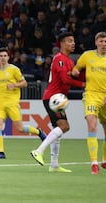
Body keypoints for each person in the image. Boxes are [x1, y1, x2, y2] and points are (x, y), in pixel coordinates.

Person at [30, 32, 85, 172]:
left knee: (59, 129)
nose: (73, 43)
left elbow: (72, 77)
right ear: (62, 43)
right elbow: (66, 80)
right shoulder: (59, 58)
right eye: (69, 41)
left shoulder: (70, 61)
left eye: (73, 41)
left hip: (57, 98)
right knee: (64, 126)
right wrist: (83, 85)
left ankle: (54, 164)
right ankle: (39, 151)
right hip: (53, 98)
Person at [0, 47, 47, 159]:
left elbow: (24, 83)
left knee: (20, 129)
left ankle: (39, 132)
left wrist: (14, 85)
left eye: (5, 56)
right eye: (1, 56)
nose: (3, 58)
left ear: (8, 57)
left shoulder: (14, 69)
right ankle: (1, 152)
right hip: (0, 103)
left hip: (12, 103)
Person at [71, 31, 106, 174]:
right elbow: (76, 68)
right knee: (92, 126)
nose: (104, 44)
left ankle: (104, 160)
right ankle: (94, 163)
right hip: (91, 95)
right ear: (96, 42)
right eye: (101, 41)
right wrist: (74, 72)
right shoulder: (87, 55)